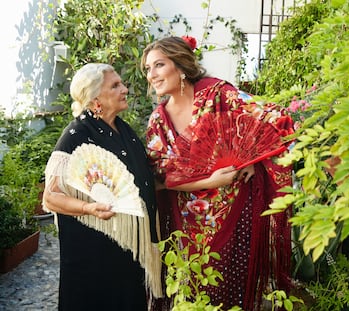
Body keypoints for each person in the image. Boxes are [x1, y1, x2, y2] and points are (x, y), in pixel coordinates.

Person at [141, 36, 294, 310]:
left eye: (158, 65)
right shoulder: (158, 120)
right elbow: (159, 180)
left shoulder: (217, 94)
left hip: (233, 212)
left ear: (181, 65)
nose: (151, 75)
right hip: (185, 223)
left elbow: (271, 119)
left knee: (232, 290)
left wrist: (253, 155)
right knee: (193, 290)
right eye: (148, 69)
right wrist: (210, 181)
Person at [42, 63, 162, 311]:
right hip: (94, 253)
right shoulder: (76, 134)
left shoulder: (123, 129)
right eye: (115, 85)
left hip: (126, 248)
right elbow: (51, 197)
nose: (125, 89)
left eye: (122, 83)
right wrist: (88, 207)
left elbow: (144, 179)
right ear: (95, 99)